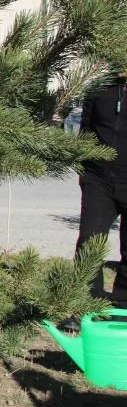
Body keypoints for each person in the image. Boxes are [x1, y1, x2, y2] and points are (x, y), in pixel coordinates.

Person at [75, 76, 127, 304]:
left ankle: (123, 303)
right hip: (98, 179)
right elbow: (85, 129)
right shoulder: (100, 87)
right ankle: (84, 303)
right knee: (89, 241)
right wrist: (84, 168)